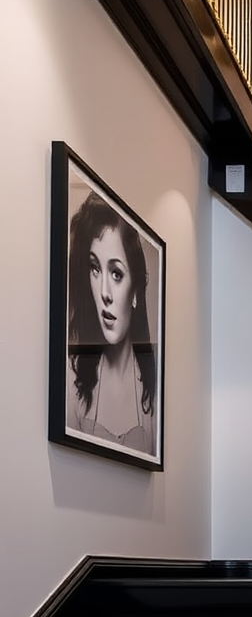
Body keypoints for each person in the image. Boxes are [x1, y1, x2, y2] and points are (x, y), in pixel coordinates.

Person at [66, 192, 157, 456]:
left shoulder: (155, 385)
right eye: (95, 269)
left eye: (116, 273)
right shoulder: (72, 379)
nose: (104, 291)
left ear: (136, 292)